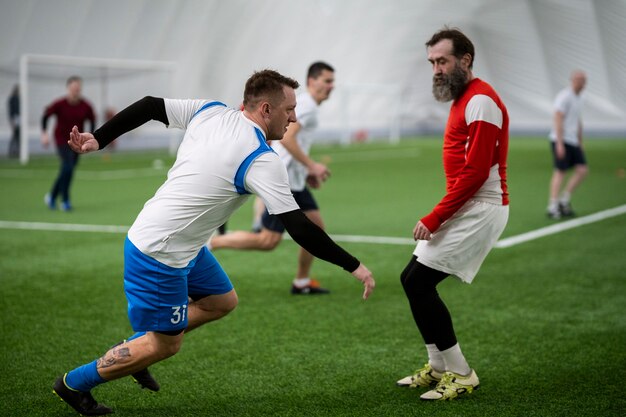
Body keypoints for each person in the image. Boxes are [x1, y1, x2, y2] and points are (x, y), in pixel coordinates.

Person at [52, 69, 375, 416]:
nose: (294, 117)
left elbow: (149, 106)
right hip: (159, 252)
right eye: (289, 109)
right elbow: (299, 227)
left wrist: (98, 138)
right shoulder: (262, 158)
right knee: (167, 344)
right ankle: (74, 384)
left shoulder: (210, 110)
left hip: (180, 244)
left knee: (222, 301)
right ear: (266, 109)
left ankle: (141, 345)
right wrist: (354, 265)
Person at [396, 27, 509, 401]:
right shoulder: (462, 99)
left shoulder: (481, 100)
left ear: (465, 60)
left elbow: (476, 173)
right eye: (432, 62)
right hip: (469, 205)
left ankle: (461, 373)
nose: (436, 69)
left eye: (442, 61)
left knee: (419, 283)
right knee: (411, 279)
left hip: (482, 207)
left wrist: (435, 216)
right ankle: (439, 366)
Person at [209, 62, 335, 295]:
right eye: (326, 81)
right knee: (267, 241)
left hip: (295, 179)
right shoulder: (306, 106)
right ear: (311, 81)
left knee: (316, 228)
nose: (331, 86)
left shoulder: (307, 106)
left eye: (332, 81)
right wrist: (312, 166)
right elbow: (287, 140)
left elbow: (291, 142)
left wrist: (305, 171)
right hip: (284, 180)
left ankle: (301, 282)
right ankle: (210, 243)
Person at [41, 75, 96, 211]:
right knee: (68, 167)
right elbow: (45, 116)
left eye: (78, 88)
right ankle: (65, 201)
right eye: (73, 88)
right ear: (68, 88)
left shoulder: (86, 106)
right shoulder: (59, 104)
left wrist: (92, 136)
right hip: (62, 140)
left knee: (68, 169)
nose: (75, 91)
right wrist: (44, 133)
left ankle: (52, 197)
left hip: (78, 143)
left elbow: (92, 120)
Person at [546, 70, 588, 219]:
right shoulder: (565, 96)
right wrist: (559, 143)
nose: (581, 82)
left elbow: (578, 120)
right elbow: (558, 117)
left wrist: (580, 141)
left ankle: (564, 200)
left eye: (583, 80)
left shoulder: (581, 98)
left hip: (573, 140)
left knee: (582, 170)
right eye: (578, 79)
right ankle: (552, 206)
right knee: (560, 171)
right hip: (561, 140)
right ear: (572, 80)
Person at [7, 84, 20, 158]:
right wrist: (12, 121)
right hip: (15, 118)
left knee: (18, 135)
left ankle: (17, 150)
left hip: (19, 118)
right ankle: (12, 151)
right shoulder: (12, 99)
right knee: (15, 135)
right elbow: (11, 111)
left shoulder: (18, 98)